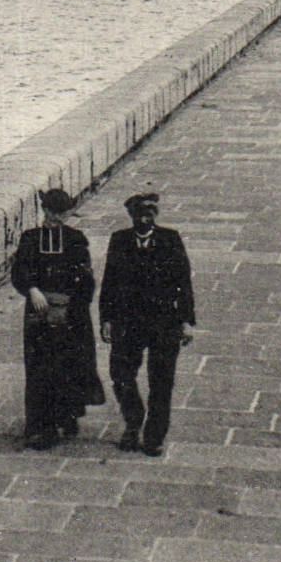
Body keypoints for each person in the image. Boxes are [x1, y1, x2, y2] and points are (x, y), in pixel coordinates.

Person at [99, 191, 195, 455]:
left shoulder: (170, 239)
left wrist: (187, 321)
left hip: (164, 322)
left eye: (151, 212)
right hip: (128, 322)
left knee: (161, 381)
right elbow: (109, 281)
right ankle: (133, 421)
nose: (146, 217)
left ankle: (154, 436)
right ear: (131, 215)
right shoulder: (119, 240)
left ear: (156, 215)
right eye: (140, 212)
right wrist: (106, 318)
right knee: (121, 375)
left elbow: (183, 281)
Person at [10, 188, 103, 450]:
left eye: (61, 213)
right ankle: (40, 426)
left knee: (69, 365)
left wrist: (71, 307)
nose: (55, 218)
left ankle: (67, 415)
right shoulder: (30, 239)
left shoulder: (75, 239)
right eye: (51, 212)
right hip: (39, 314)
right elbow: (20, 271)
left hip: (71, 314)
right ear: (44, 211)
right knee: (39, 368)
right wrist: (32, 290)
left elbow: (86, 280)